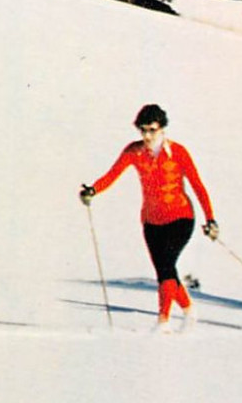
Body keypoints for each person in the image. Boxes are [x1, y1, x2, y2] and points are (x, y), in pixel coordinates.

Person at [81, 104, 217, 331]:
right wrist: (93, 190)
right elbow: (112, 175)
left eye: (152, 130)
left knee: (165, 265)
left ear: (162, 129)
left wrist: (210, 219)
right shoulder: (134, 151)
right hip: (152, 221)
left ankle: (163, 321)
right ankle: (189, 310)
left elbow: (198, 186)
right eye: (142, 130)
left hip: (180, 217)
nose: (146, 135)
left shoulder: (178, 152)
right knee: (166, 270)